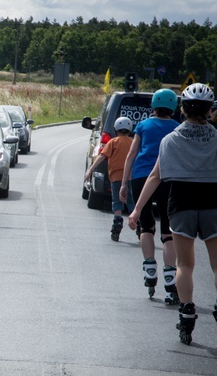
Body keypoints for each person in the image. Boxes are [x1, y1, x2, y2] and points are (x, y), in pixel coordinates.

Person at [128, 83, 217, 345]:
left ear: (183, 108)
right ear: (210, 109)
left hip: (182, 204)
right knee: (216, 263)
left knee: (185, 264)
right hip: (213, 202)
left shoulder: (170, 140)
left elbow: (155, 176)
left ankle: (187, 310)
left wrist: (136, 209)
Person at [120, 88, 180, 303]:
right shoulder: (176, 128)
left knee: (146, 225)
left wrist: (124, 183)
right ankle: (170, 276)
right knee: (167, 229)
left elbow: (131, 154)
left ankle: (149, 271)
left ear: (153, 105)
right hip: (168, 178)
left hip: (141, 176)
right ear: (173, 108)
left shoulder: (143, 125)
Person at [84, 116, 135, 241]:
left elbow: (102, 156)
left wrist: (91, 169)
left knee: (117, 201)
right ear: (129, 129)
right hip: (130, 177)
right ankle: (137, 223)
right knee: (131, 201)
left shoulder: (113, 142)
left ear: (116, 129)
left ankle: (117, 223)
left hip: (116, 177)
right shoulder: (133, 142)